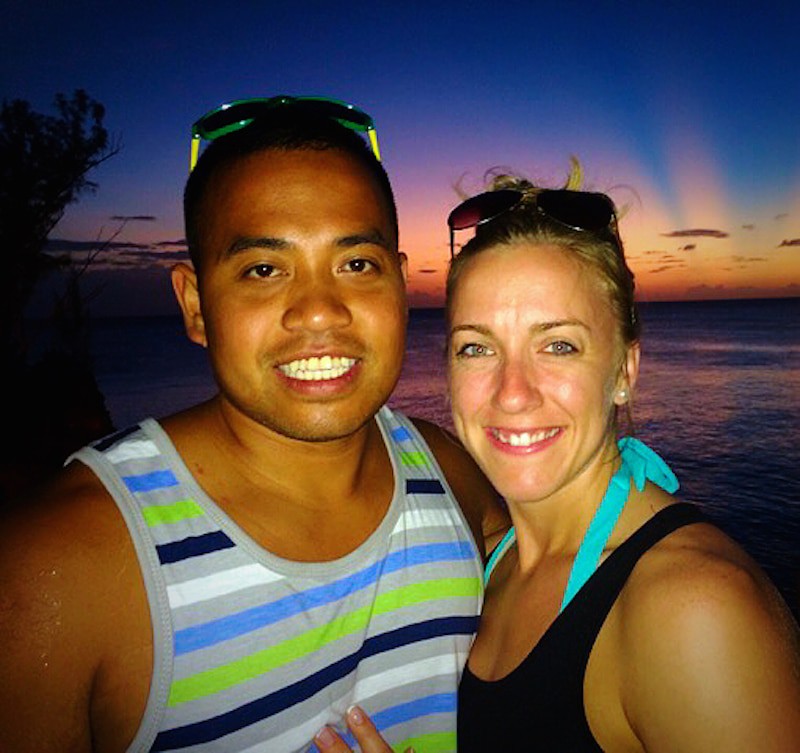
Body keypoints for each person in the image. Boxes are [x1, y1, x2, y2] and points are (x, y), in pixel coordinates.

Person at [0, 97, 506, 753]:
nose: (320, 311)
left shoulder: (449, 474)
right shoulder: (57, 568)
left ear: (401, 286)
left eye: (356, 264)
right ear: (195, 305)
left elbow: (570, 591)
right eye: (264, 270)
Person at [319, 166, 800, 752]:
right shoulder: (494, 560)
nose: (512, 392)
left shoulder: (692, 609)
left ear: (624, 370)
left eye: (559, 345)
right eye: (476, 347)